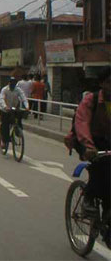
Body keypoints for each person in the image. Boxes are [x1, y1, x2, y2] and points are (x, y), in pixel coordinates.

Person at [74, 68, 110, 240]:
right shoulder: (91, 99)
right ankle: (88, 199)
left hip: (108, 140)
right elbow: (82, 123)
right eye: (109, 82)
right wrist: (89, 147)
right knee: (99, 167)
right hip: (89, 139)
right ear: (102, 83)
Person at [0, 77, 29, 149]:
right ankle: (4, 141)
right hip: (4, 109)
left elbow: (23, 98)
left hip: (14, 108)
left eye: (14, 84)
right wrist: (5, 107)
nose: (12, 85)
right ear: (9, 83)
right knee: (5, 124)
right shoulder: (4, 89)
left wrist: (27, 106)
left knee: (18, 119)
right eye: (11, 84)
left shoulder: (18, 90)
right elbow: (1, 99)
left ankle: (17, 131)